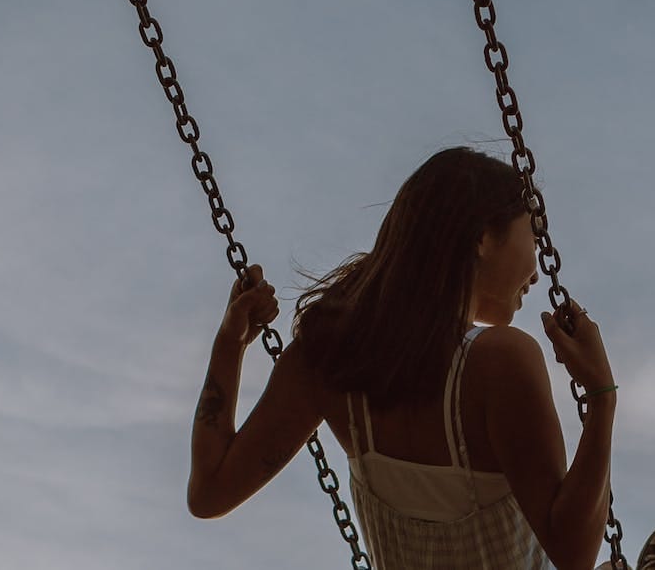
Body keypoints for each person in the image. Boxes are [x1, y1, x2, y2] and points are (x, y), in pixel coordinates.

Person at [185, 147, 617, 570]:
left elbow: (209, 494)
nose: (537, 272)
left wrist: (229, 344)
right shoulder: (502, 361)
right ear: (484, 237)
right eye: (533, 236)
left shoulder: (326, 362)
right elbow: (573, 556)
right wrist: (601, 396)